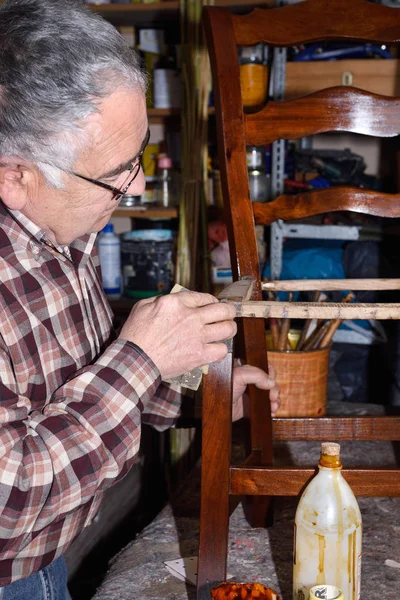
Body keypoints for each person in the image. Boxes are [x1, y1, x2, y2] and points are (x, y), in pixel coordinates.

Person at [0, 0, 280, 598]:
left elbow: (76, 383)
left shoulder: (59, 225)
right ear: (14, 176)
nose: (139, 186)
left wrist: (195, 394)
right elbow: (10, 499)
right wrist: (142, 357)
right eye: (118, 172)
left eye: (140, 156)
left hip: (44, 559)